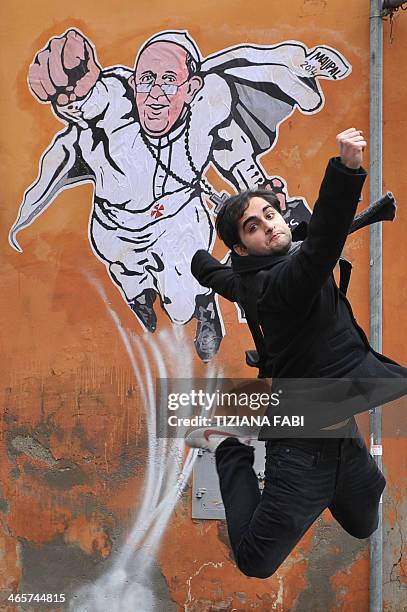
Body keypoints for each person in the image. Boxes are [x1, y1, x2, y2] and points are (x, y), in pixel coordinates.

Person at [9, 29, 350, 360]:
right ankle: (140, 297)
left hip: (177, 224)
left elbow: (238, 160)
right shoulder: (115, 106)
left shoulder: (208, 114)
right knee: (127, 273)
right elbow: (91, 102)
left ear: (192, 88)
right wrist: (73, 90)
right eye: (146, 81)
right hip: (113, 225)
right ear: (133, 83)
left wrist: (262, 189)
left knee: (182, 299)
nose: (155, 94)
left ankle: (204, 309)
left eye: (169, 81)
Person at [185, 128, 407, 578]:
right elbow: (322, 244)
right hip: (300, 445)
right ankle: (226, 442)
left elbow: (218, 276)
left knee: (364, 522)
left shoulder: (245, 276)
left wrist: (201, 264)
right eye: (254, 226)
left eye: (269, 214)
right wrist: (346, 172)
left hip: (341, 431)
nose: (269, 225)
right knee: (255, 561)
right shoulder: (281, 285)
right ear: (242, 247)